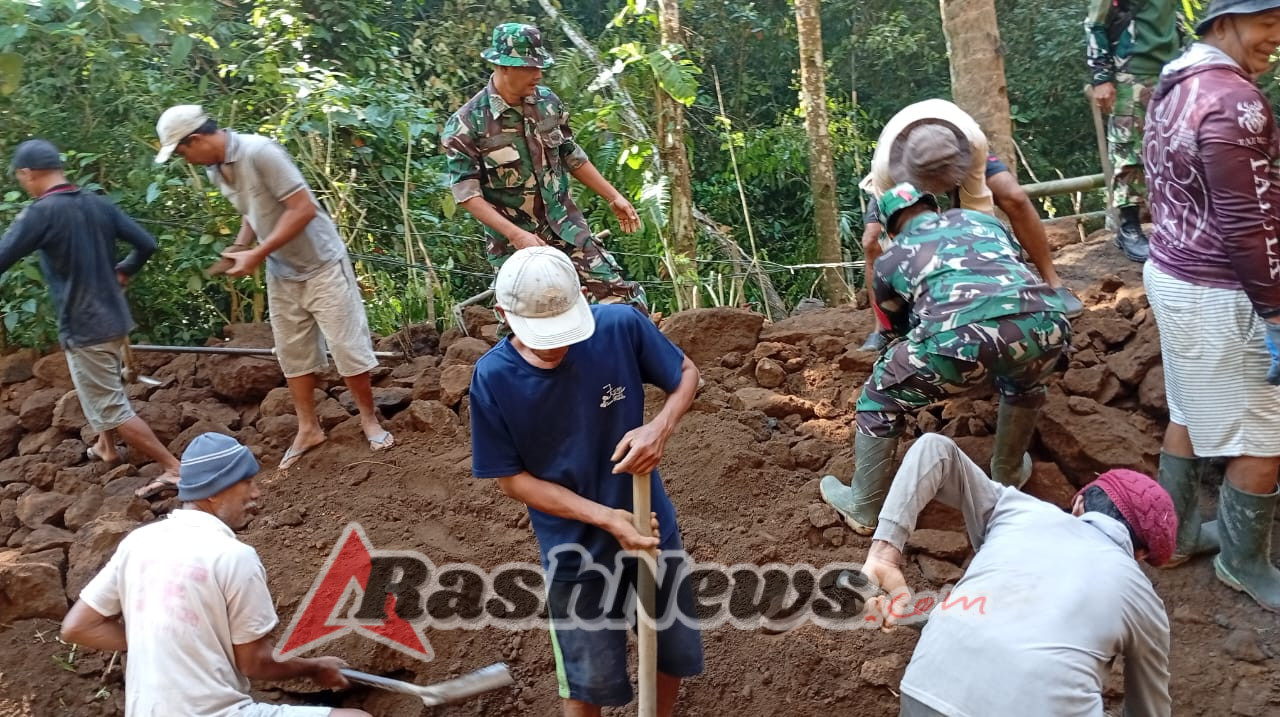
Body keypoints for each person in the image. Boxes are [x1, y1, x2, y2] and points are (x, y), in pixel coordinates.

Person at [468, 247, 702, 716]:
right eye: (543, 334)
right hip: (573, 549)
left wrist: (659, 428)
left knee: (671, 649)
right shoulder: (493, 379)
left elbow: (685, 373)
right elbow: (512, 480)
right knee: (586, 679)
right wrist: (606, 518)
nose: (557, 345)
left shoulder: (619, 327)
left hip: (650, 526)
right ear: (503, 314)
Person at [857, 433, 1173, 717]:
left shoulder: (1019, 509)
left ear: (1078, 503)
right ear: (1141, 555)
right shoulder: (1142, 597)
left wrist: (885, 553)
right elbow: (1150, 711)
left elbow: (935, 449)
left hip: (927, 690)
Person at [60, 432, 370, 717]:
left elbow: (77, 627)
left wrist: (165, 640)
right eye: (246, 482)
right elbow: (255, 662)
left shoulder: (139, 542)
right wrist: (314, 668)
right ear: (213, 492)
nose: (256, 493)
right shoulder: (233, 557)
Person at [821, 184, 1070, 534]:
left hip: (956, 342)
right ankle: (1008, 471)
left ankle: (863, 507)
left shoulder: (891, 258)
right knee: (1025, 376)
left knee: (877, 397)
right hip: (1047, 324)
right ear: (934, 208)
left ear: (890, 230)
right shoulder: (983, 221)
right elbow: (1011, 265)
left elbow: (895, 326)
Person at [153, 105, 393, 470]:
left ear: (196, 139)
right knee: (292, 353)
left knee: (346, 346)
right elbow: (252, 211)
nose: (185, 160)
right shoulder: (217, 170)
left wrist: (257, 253)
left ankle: (369, 420)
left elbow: (302, 208)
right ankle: (308, 429)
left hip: (322, 263)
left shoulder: (259, 152)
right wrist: (240, 246)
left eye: (182, 152)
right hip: (282, 270)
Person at [1141, 0, 1280, 609]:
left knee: (1188, 409)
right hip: (1223, 291)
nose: (1276, 37)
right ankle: (1242, 562)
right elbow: (1249, 222)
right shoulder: (1235, 101)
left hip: (1173, 273)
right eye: (1266, 22)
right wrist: (1275, 312)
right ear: (1222, 23)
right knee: (1265, 434)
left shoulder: (1176, 83)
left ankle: (1172, 537)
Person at [0, 139, 182, 498]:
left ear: (28, 173)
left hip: (85, 326)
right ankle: (106, 447)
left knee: (110, 405)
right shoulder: (98, 203)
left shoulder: (40, 213)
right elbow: (146, 243)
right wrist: (125, 270)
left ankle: (173, 468)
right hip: (114, 318)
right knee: (104, 386)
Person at [442, 23, 646, 309]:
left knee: (624, 301)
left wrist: (613, 196)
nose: (538, 74)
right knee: (529, 318)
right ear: (503, 66)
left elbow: (570, 153)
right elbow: (467, 195)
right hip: (517, 243)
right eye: (529, 67)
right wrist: (516, 235)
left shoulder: (547, 103)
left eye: (539, 66)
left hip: (567, 228)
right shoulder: (467, 124)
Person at [857, 99, 1083, 351]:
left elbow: (976, 222)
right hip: (904, 168)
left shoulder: (972, 142)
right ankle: (882, 327)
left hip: (956, 155)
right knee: (871, 241)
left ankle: (1053, 284)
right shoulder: (886, 169)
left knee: (1014, 196)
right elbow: (896, 242)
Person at [1086, 0, 1181, 262]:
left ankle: (1172, 225)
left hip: (1170, 72)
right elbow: (1094, 23)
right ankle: (1129, 228)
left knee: (1174, 149)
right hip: (1130, 73)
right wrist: (1101, 76)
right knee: (1128, 152)